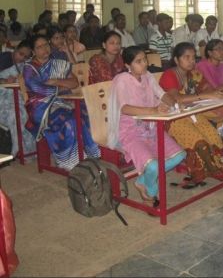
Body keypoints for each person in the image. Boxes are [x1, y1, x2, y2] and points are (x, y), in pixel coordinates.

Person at [107, 46, 186, 205]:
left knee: (180, 155)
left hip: (150, 127)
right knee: (154, 166)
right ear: (128, 65)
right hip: (130, 131)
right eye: (139, 61)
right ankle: (151, 191)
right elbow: (125, 108)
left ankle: (141, 181)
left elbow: (162, 94)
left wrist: (176, 105)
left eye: (145, 60)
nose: (144, 64)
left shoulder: (148, 76)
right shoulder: (122, 80)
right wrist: (154, 110)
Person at [159, 42, 223, 183]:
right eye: (186, 57)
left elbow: (208, 89)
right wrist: (204, 96)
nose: (191, 61)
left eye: (193, 57)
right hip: (173, 118)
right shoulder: (169, 75)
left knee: (213, 136)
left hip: (193, 114)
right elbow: (176, 99)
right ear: (176, 60)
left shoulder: (195, 74)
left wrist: (215, 94)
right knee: (199, 142)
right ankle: (219, 173)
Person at [23, 35, 100, 170]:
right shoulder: (29, 68)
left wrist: (56, 81)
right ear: (33, 51)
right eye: (39, 47)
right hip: (42, 106)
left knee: (89, 112)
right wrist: (62, 87)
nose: (44, 49)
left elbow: (74, 82)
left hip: (65, 100)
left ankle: (92, 153)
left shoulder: (58, 62)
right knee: (70, 121)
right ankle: (69, 160)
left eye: (46, 45)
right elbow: (38, 89)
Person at [0, 39, 35, 157]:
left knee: (27, 111)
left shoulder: (26, 65)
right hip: (2, 93)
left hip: (16, 93)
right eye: (20, 54)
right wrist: (4, 80)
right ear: (15, 50)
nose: (21, 59)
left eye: (25, 57)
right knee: (15, 114)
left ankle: (26, 149)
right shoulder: (4, 58)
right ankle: (17, 150)